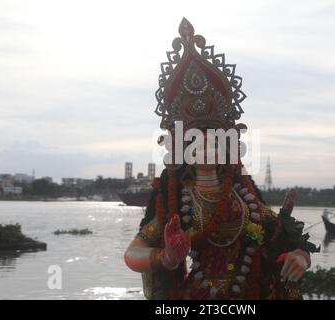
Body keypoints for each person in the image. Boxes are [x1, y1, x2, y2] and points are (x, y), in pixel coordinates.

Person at [124, 18, 318, 300]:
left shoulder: (244, 196)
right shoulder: (179, 201)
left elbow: (285, 238)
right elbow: (132, 253)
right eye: (196, 140)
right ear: (181, 149)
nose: (206, 146)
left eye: (215, 138)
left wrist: (301, 256)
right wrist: (166, 257)